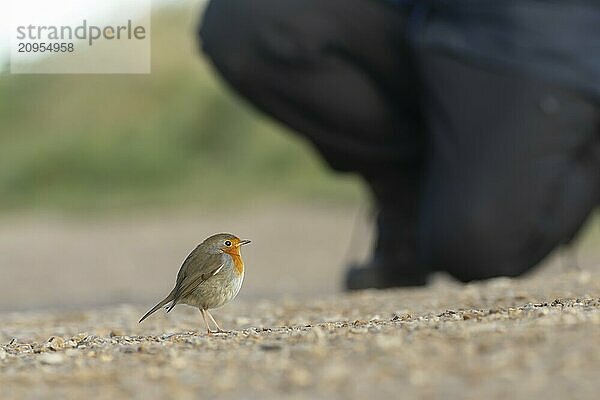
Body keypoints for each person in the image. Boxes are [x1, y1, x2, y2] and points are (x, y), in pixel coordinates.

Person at [198, 0, 600, 290]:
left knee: (473, 249)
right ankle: (411, 194)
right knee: (242, 21)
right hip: (418, 16)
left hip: (539, 37)